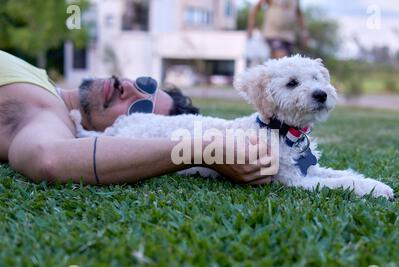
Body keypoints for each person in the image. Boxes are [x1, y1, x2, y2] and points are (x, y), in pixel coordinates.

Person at [0, 50, 274, 185]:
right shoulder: (44, 83)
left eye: (140, 109)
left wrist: (199, 148)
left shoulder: (49, 116)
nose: (128, 89)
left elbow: (48, 158)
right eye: (145, 84)